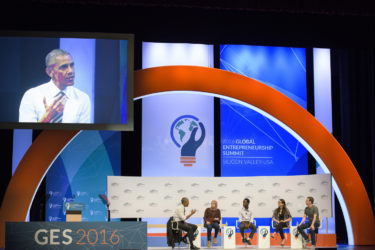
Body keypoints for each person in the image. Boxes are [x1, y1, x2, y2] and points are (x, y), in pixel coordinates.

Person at [19, 49, 91, 123]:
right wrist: (46, 118)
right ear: (50, 72)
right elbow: (27, 131)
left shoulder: (83, 98)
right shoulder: (31, 96)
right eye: (64, 67)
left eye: (72, 65)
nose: (70, 71)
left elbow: (84, 133)